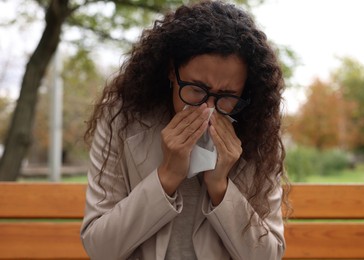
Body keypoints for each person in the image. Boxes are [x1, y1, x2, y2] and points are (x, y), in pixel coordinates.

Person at [80, 1, 289, 259]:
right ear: (171, 71)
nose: (208, 109)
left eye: (226, 96)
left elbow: (268, 255)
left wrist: (220, 186)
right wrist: (167, 176)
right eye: (196, 89)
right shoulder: (122, 118)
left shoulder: (258, 130)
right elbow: (99, 248)